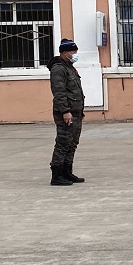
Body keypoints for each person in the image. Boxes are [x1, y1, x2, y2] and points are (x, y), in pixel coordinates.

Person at [47, 38, 85, 186]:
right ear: (64, 52)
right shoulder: (58, 69)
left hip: (76, 112)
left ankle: (67, 171)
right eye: (72, 51)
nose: (75, 54)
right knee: (63, 143)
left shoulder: (69, 67)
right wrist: (65, 111)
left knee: (72, 143)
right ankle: (57, 174)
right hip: (66, 113)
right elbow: (59, 93)